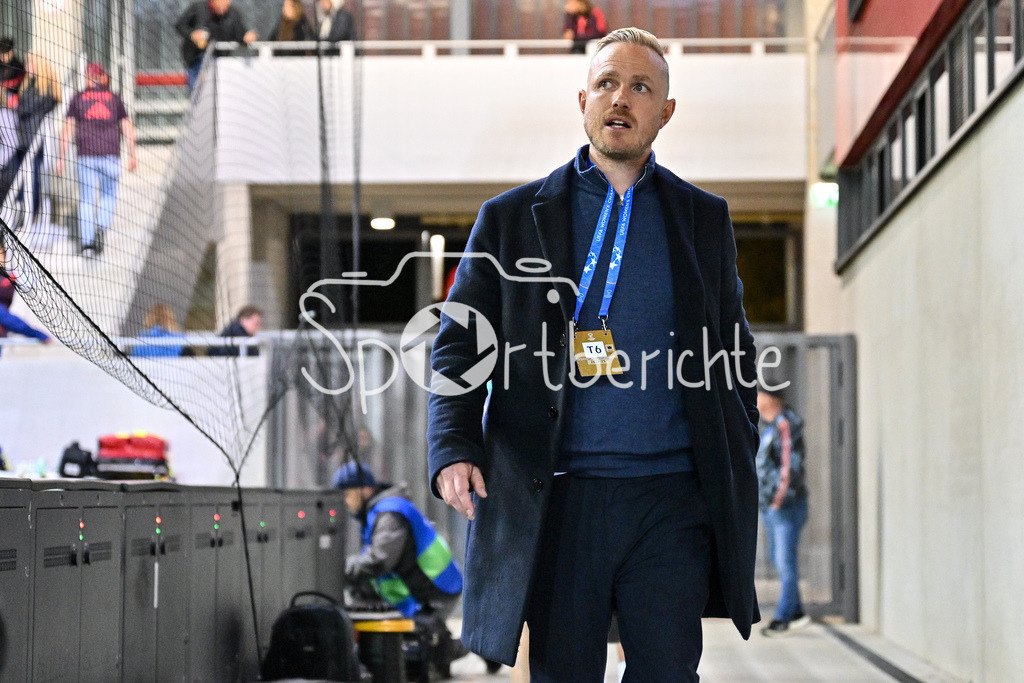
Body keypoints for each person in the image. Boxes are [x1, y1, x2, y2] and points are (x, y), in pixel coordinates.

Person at [428, 27, 760, 680]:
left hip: (670, 499)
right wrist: (453, 444)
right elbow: (460, 341)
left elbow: (734, 351)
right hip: (559, 497)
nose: (621, 98)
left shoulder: (702, 219)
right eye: (607, 83)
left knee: (668, 672)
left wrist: (736, 449)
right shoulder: (512, 217)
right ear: (582, 99)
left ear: (665, 111)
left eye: (641, 86)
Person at [333, 461, 470, 674]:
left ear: (363, 490)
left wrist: (340, 569)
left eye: (347, 495)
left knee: (422, 643)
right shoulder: (378, 511)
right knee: (418, 642)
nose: (346, 503)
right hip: (421, 589)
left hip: (437, 588)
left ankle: (471, 647)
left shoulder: (389, 513)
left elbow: (380, 559)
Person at [55, 62, 137, 258]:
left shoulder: (79, 98)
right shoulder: (114, 98)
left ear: (86, 77)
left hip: (86, 155)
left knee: (86, 199)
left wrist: (61, 157)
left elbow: (67, 128)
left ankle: (87, 243)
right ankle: (100, 228)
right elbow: (127, 126)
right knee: (108, 196)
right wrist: (133, 154)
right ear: (102, 77)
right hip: (110, 154)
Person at [755, 388, 810, 637]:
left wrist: (777, 500)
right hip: (772, 507)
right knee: (778, 559)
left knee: (785, 562)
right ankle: (797, 611)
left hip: (785, 507)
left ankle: (783, 618)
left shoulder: (784, 424)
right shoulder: (771, 426)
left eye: (759, 395)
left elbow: (788, 466)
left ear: (771, 399)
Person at [5, 53, 62, 245]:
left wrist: (16, 104)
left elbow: (26, 107)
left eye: (30, 62)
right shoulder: (29, 84)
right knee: (18, 178)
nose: (27, 65)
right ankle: (21, 211)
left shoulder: (45, 89)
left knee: (33, 178)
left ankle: (30, 212)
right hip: (21, 141)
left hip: (33, 143)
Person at [175, 0, 258, 93]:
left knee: (221, 93)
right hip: (196, 59)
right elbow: (180, 25)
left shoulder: (233, 13)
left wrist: (247, 37)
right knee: (197, 93)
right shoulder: (198, 8)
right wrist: (192, 34)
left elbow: (240, 34)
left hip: (221, 61)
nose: (223, 7)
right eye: (220, 4)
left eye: (226, 4)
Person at [1, 37, 25, 174]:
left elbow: (20, 88)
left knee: (13, 145)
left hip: (12, 111)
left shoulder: (18, 66)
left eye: (5, 52)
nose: (3, 56)